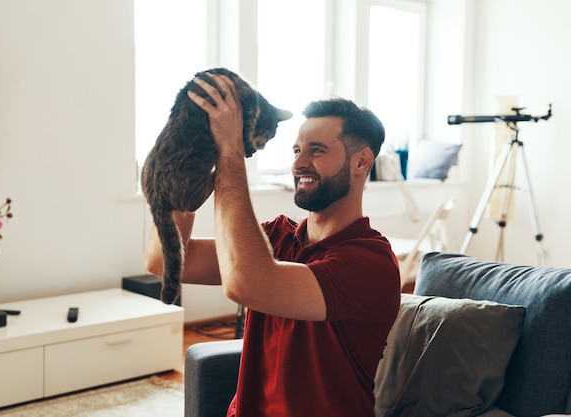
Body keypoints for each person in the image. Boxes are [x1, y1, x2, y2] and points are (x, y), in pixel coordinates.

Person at [144, 73, 400, 417]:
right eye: (297, 150)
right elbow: (165, 263)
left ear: (361, 161)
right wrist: (189, 162)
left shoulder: (371, 262)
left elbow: (246, 283)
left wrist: (231, 150)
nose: (298, 163)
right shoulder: (275, 237)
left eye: (316, 150)